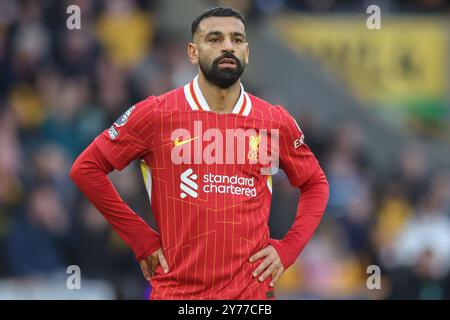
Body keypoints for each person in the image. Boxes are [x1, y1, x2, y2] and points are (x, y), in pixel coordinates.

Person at [70, 6, 329, 300]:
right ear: (193, 52)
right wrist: (141, 240)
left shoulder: (273, 121)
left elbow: (315, 183)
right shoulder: (157, 114)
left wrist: (289, 248)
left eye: (237, 39)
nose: (228, 47)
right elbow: (86, 169)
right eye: (214, 39)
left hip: (250, 297)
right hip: (178, 295)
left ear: (247, 52)